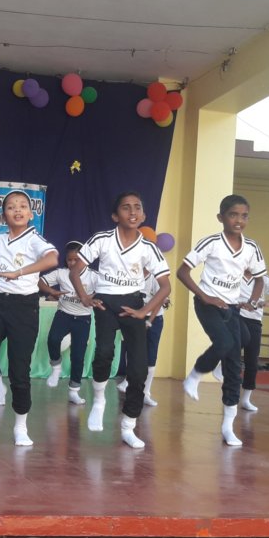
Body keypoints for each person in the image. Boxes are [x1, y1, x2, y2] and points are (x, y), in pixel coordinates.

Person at [71, 192, 171, 448]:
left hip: (134, 304)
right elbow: (75, 271)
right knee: (104, 352)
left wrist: (144, 310)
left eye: (137, 207)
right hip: (106, 302)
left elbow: (165, 287)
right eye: (126, 208)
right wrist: (84, 297)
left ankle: (129, 425)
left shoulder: (149, 248)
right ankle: (99, 400)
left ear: (143, 215)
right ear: (116, 216)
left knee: (138, 370)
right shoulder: (102, 240)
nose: (132, 211)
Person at [0, 190, 58, 446]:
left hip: (24, 308)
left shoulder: (34, 239)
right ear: (3, 215)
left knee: (20, 370)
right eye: (10, 207)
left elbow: (52, 258)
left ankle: (21, 426)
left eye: (22, 206)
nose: (17, 210)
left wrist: (18, 272)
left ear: (30, 214)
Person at [178, 194, 266, 447]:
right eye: (233, 214)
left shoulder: (251, 248)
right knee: (225, 343)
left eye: (244, 216)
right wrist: (204, 296)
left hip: (232, 308)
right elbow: (183, 272)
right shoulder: (212, 243)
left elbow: (260, 279)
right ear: (221, 217)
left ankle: (228, 426)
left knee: (235, 365)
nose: (239, 220)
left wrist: (252, 301)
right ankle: (195, 374)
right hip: (208, 305)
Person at [40, 241, 96, 406]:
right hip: (63, 314)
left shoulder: (93, 276)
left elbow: (104, 291)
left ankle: (74, 391)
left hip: (83, 319)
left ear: (84, 259)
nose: (72, 263)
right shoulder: (61, 273)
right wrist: (52, 291)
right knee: (53, 339)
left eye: (75, 260)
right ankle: (56, 368)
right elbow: (40, 281)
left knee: (78, 356)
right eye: (69, 260)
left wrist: (91, 297)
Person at [115, 271, 169, 407]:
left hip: (154, 318)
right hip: (135, 316)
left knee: (151, 356)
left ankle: (146, 393)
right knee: (133, 349)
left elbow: (160, 301)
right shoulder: (131, 275)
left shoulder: (156, 278)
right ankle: (128, 381)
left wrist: (149, 321)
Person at [233, 272, 269, 412]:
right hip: (236, 316)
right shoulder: (235, 273)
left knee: (252, 361)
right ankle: (222, 365)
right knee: (237, 345)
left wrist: (268, 302)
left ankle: (246, 399)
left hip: (255, 320)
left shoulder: (263, 278)